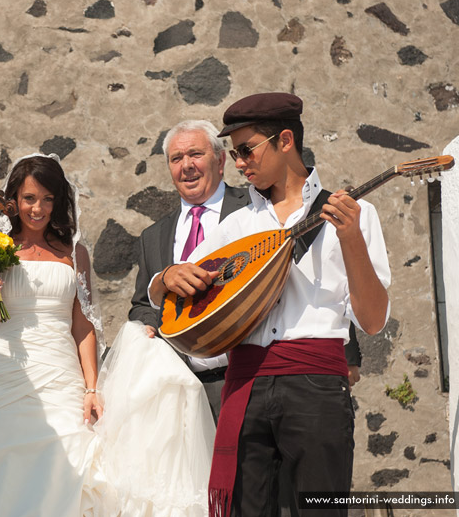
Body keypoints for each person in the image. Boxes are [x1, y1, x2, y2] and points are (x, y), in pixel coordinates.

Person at [148, 93, 391, 517]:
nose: (238, 163)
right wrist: (165, 278)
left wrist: (350, 237)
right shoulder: (237, 226)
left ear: (284, 141)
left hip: (315, 387)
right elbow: (178, 290)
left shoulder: (357, 214)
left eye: (246, 150)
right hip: (243, 387)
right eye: (234, 152)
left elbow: (372, 321)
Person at [0, 154, 215, 516]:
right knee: (9, 473)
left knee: (70, 468)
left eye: (48, 199)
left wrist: (92, 387)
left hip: (62, 376)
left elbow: (83, 326)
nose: (39, 208)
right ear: (13, 199)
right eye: (30, 198)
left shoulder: (74, 253)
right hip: (9, 375)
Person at [129, 119, 249, 420]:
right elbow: (142, 306)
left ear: (220, 160)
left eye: (195, 154)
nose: (187, 166)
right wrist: (147, 323)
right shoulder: (153, 237)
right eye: (176, 158)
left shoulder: (255, 208)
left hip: (249, 379)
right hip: (182, 390)